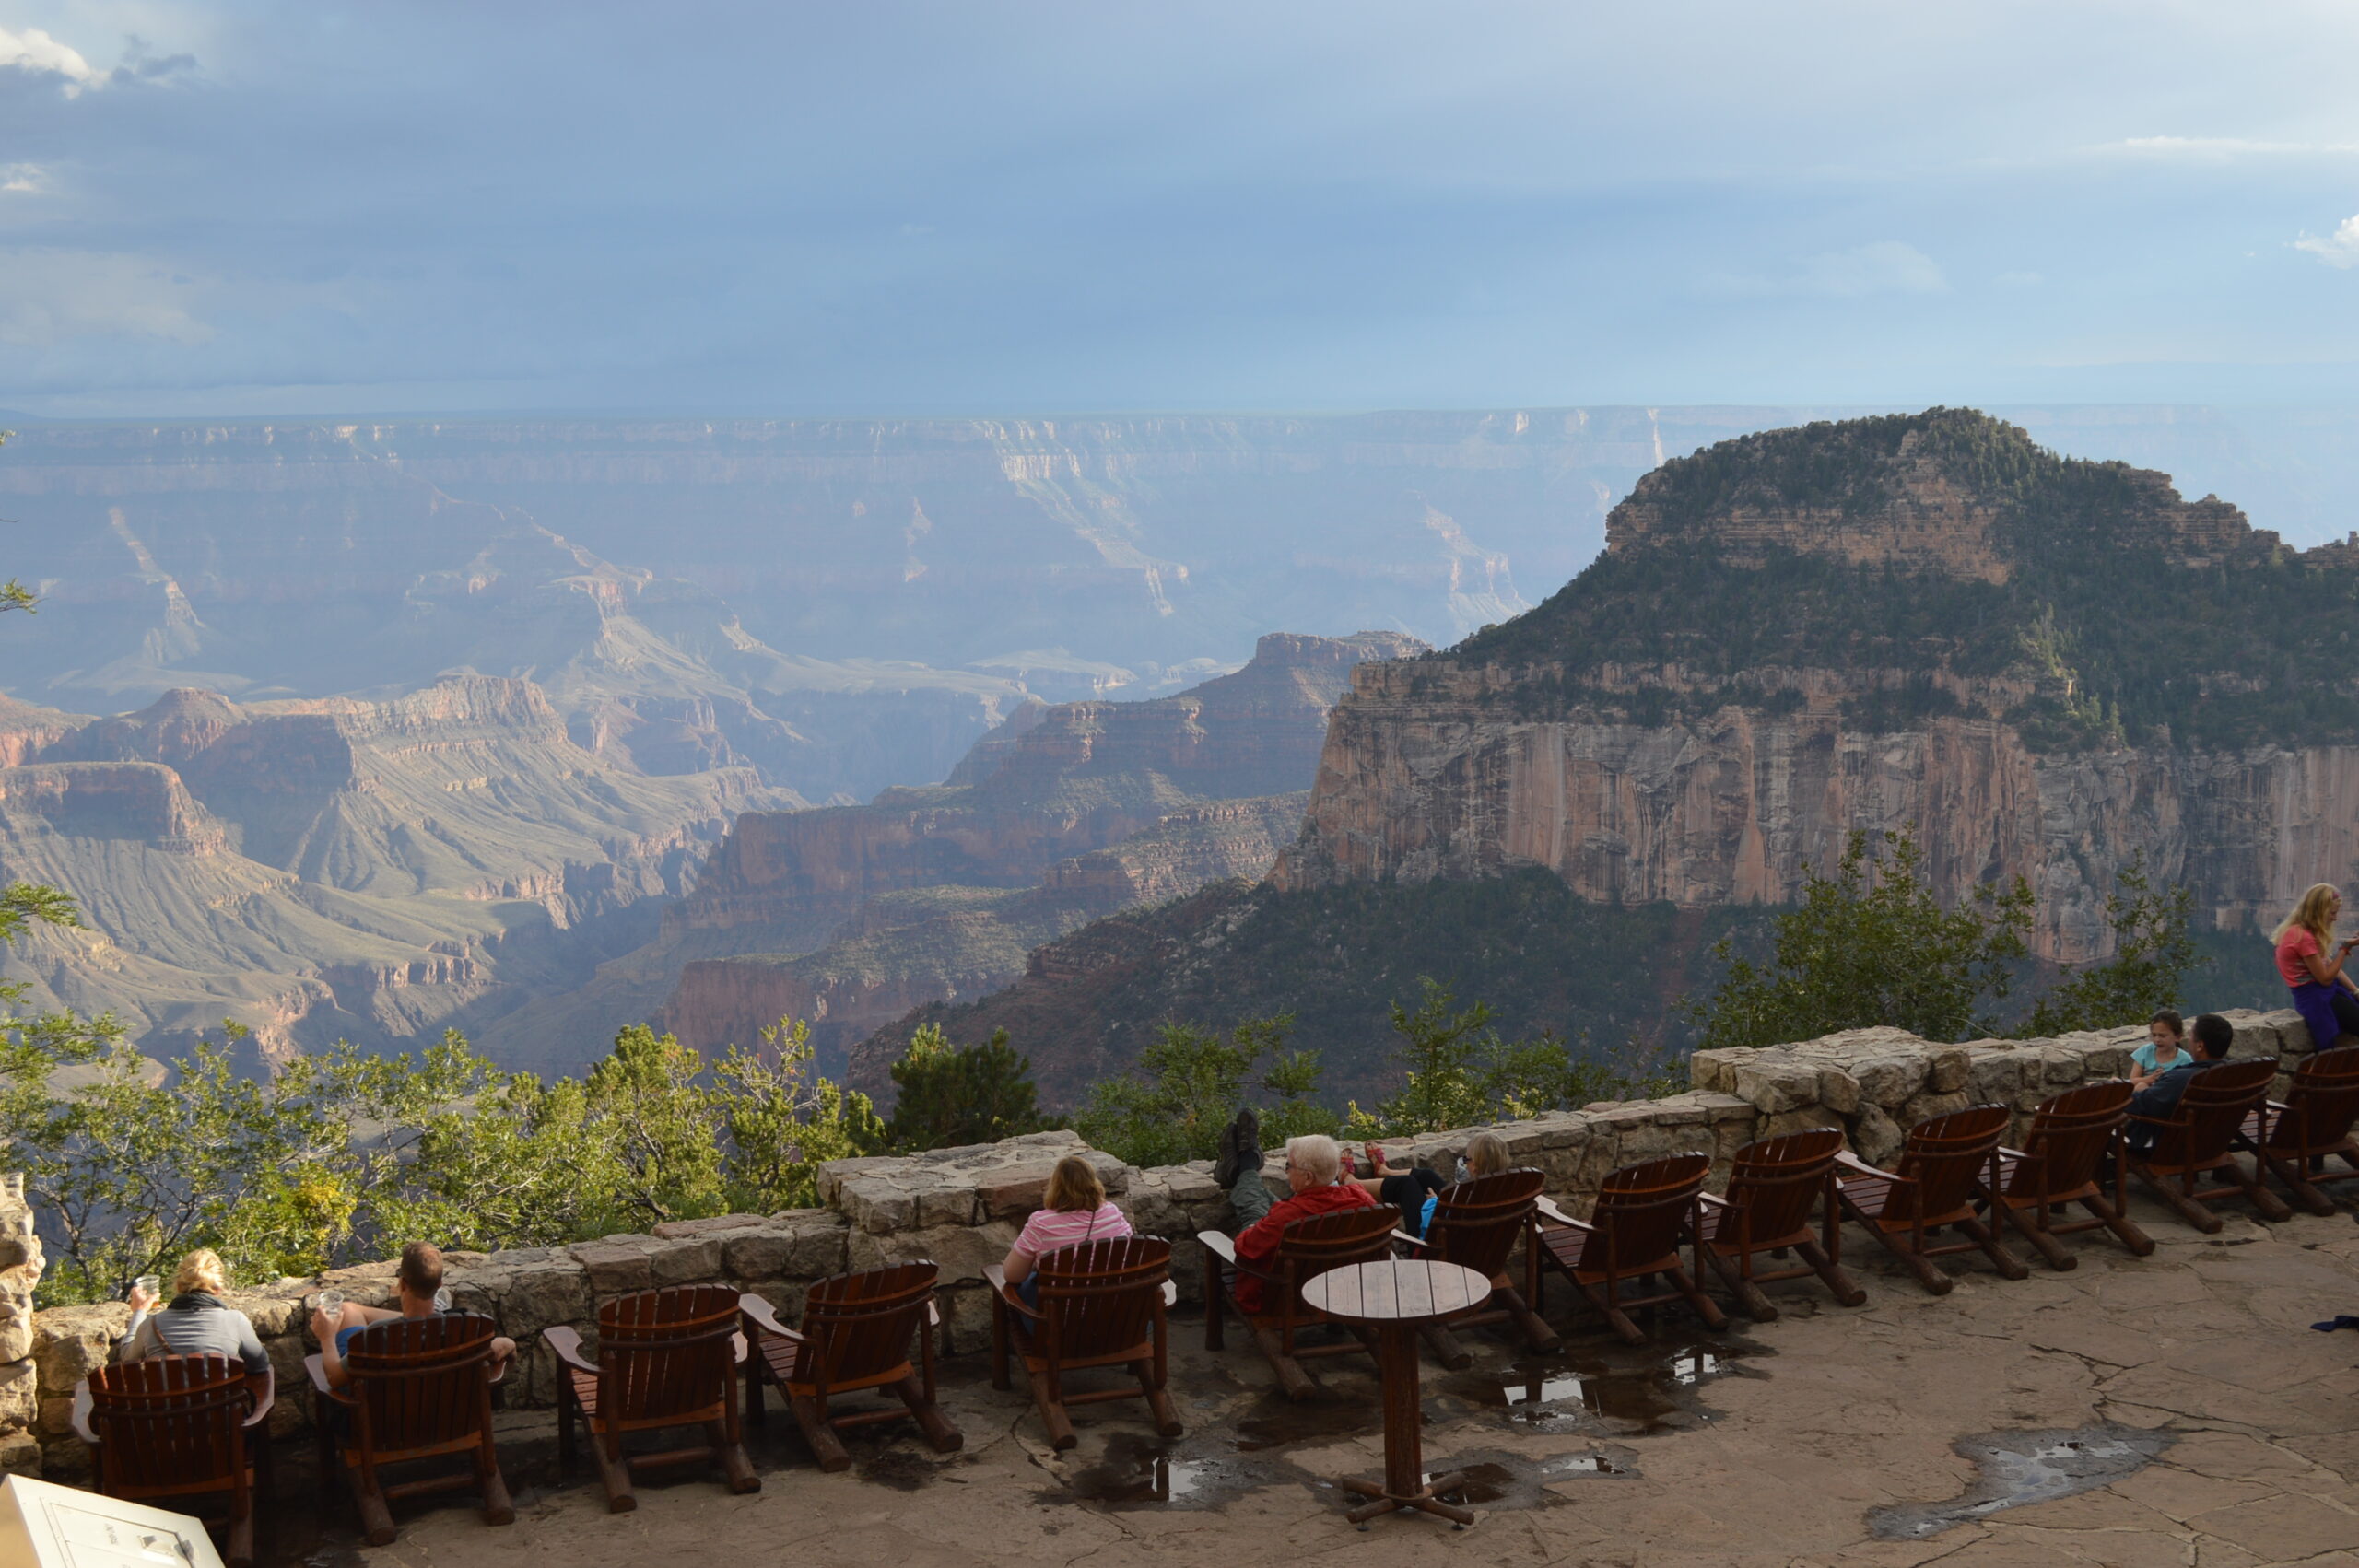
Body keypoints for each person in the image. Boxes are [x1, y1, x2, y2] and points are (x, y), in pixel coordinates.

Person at [1211, 1114, 1376, 1314]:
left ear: (1308, 1177)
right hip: (1341, 1291)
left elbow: (1244, 1248)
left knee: (1253, 1209)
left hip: (1282, 1299)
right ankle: (1247, 1166)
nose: (1286, 1172)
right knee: (1265, 1203)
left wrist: (1255, 1226)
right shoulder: (1362, 1200)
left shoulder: (1288, 1217)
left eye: (1288, 1166)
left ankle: (1245, 1167)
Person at [310, 1242, 516, 1389]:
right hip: (447, 1422)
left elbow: (335, 1379)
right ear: (439, 1285)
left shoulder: (375, 1337)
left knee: (348, 1311)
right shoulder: (466, 1330)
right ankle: (430, 1315)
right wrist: (508, 1343)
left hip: (386, 1426)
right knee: (350, 1309)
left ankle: (413, 1320)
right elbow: (505, 1347)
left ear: (402, 1284)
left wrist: (327, 1337)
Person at [999, 1153, 1133, 1307]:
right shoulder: (1112, 1213)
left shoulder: (1041, 1223)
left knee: (1025, 1285)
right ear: (1094, 1183)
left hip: (1061, 1315)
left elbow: (1013, 1276)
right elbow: (1129, 1251)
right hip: (1112, 1309)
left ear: (1055, 1186)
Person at [122, 1248, 269, 1376]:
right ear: (218, 1289)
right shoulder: (235, 1320)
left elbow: (127, 1359)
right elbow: (260, 1365)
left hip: (167, 1401)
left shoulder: (151, 1324)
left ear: (178, 1286)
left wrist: (139, 1311)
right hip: (222, 1401)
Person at [1353, 1130, 1511, 1238]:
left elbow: (1435, 1223)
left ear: (1475, 1166)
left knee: (1405, 1184)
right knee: (1426, 1176)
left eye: (1466, 1159)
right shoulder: (1506, 1191)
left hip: (1435, 1252)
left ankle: (1352, 1185)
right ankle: (1385, 1172)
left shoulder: (1467, 1197)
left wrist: (1435, 1202)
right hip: (1477, 1249)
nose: (1464, 1163)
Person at [2126, 1012, 2233, 1154]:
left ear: (2199, 1046)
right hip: (2213, 1141)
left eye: (2191, 1035)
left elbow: (2141, 1103)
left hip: (2174, 1146)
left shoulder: (2181, 1078)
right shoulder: (2234, 1073)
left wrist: (2116, 1092)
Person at [2273, 883, 2359, 1052]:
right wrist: (2345, 948)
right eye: (2332, 913)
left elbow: (2329, 966)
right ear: (2319, 911)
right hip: (2318, 998)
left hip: (2325, 993)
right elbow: (2325, 978)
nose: (2335, 918)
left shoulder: (2299, 931)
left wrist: (2355, 991)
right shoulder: (2302, 938)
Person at [2127, 1010, 2192, 1091]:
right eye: (2154, 1035)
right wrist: (2150, 1079)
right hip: (2144, 1093)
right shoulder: (2144, 1052)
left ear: (2177, 1037)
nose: (2157, 1040)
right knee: (2141, 1086)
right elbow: (2132, 1081)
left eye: (2162, 1036)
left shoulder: (2185, 1060)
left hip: (2168, 1094)